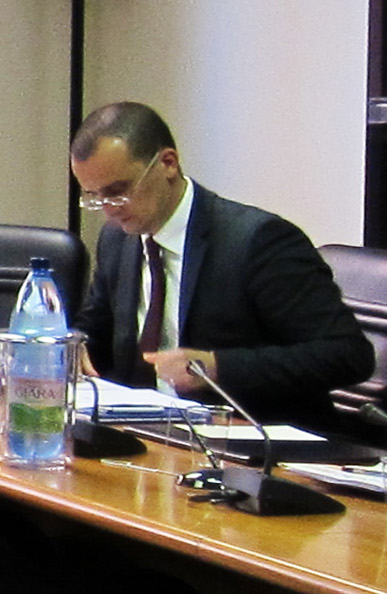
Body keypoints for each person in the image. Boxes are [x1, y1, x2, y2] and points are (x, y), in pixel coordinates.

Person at [68, 100, 369, 420]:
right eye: (95, 196)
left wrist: (217, 367)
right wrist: (74, 346)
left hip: (249, 433)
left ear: (168, 163)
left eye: (118, 191)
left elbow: (348, 354)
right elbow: (96, 329)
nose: (109, 209)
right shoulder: (117, 240)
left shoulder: (257, 241)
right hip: (148, 430)